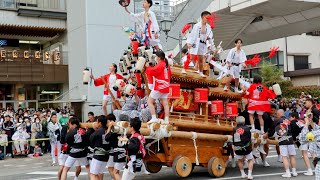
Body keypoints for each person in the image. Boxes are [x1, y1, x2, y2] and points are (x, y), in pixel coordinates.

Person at [264, 109, 297, 178]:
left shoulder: (277, 120)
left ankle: (287, 173)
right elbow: (293, 130)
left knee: (284, 157)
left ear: (278, 114)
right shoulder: (288, 121)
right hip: (290, 139)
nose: (276, 115)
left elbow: (271, 130)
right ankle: (294, 172)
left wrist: (267, 135)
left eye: (276, 114)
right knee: (292, 156)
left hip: (282, 139)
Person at [186, 11, 214, 77]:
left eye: (209, 18)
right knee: (191, 57)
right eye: (207, 17)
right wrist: (189, 43)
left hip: (202, 44)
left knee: (201, 59)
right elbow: (192, 35)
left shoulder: (208, 26)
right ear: (203, 17)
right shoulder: (197, 25)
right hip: (196, 43)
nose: (208, 19)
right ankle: (185, 68)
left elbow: (210, 35)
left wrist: (208, 38)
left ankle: (200, 72)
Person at [145, 50, 171, 124]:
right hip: (166, 86)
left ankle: (154, 118)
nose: (155, 58)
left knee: (149, 101)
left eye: (156, 56)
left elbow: (153, 71)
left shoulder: (160, 65)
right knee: (165, 103)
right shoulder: (166, 65)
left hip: (160, 86)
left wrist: (148, 67)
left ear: (159, 58)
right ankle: (166, 120)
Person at [89, 115, 113, 180]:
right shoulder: (109, 131)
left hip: (98, 156)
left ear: (100, 123)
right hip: (106, 156)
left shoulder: (98, 132)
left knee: (93, 174)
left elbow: (91, 140)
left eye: (97, 122)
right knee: (99, 173)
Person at [58, 115, 81, 180]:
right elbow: (62, 140)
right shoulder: (65, 128)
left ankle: (76, 177)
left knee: (78, 168)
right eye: (70, 119)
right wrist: (68, 135)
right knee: (63, 168)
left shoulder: (78, 129)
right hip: (66, 150)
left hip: (75, 150)